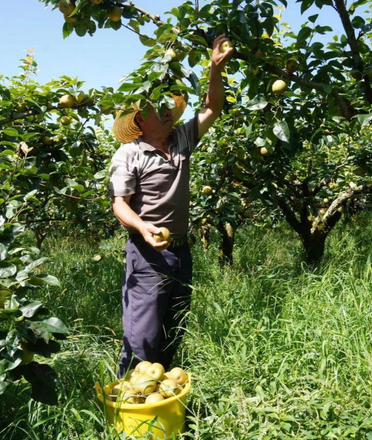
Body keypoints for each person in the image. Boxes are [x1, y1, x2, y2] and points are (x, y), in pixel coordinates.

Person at [108, 35, 234, 378]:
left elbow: (213, 108)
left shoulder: (181, 139)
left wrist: (214, 69)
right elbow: (120, 204)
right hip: (147, 253)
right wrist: (142, 228)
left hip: (181, 252)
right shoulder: (129, 153)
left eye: (168, 106)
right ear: (139, 119)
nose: (166, 111)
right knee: (142, 335)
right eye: (155, 108)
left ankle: (160, 395)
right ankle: (128, 401)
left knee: (173, 328)